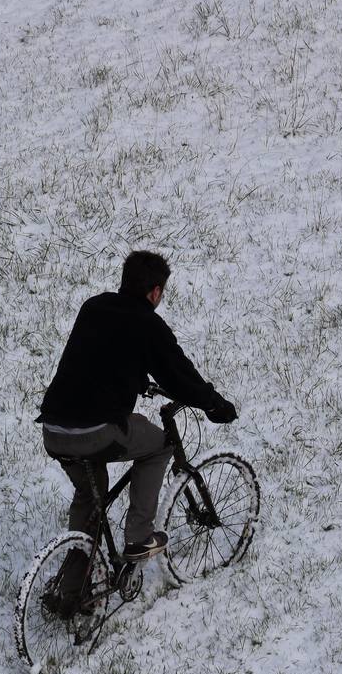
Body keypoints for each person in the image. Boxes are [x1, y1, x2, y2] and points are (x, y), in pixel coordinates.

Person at [37, 250, 237, 615]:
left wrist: (133, 376)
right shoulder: (147, 324)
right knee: (159, 446)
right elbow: (180, 375)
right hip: (94, 431)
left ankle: (72, 593)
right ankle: (140, 537)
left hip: (53, 428)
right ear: (156, 292)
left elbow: (97, 355)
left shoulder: (93, 307)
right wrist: (214, 404)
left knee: (89, 498)